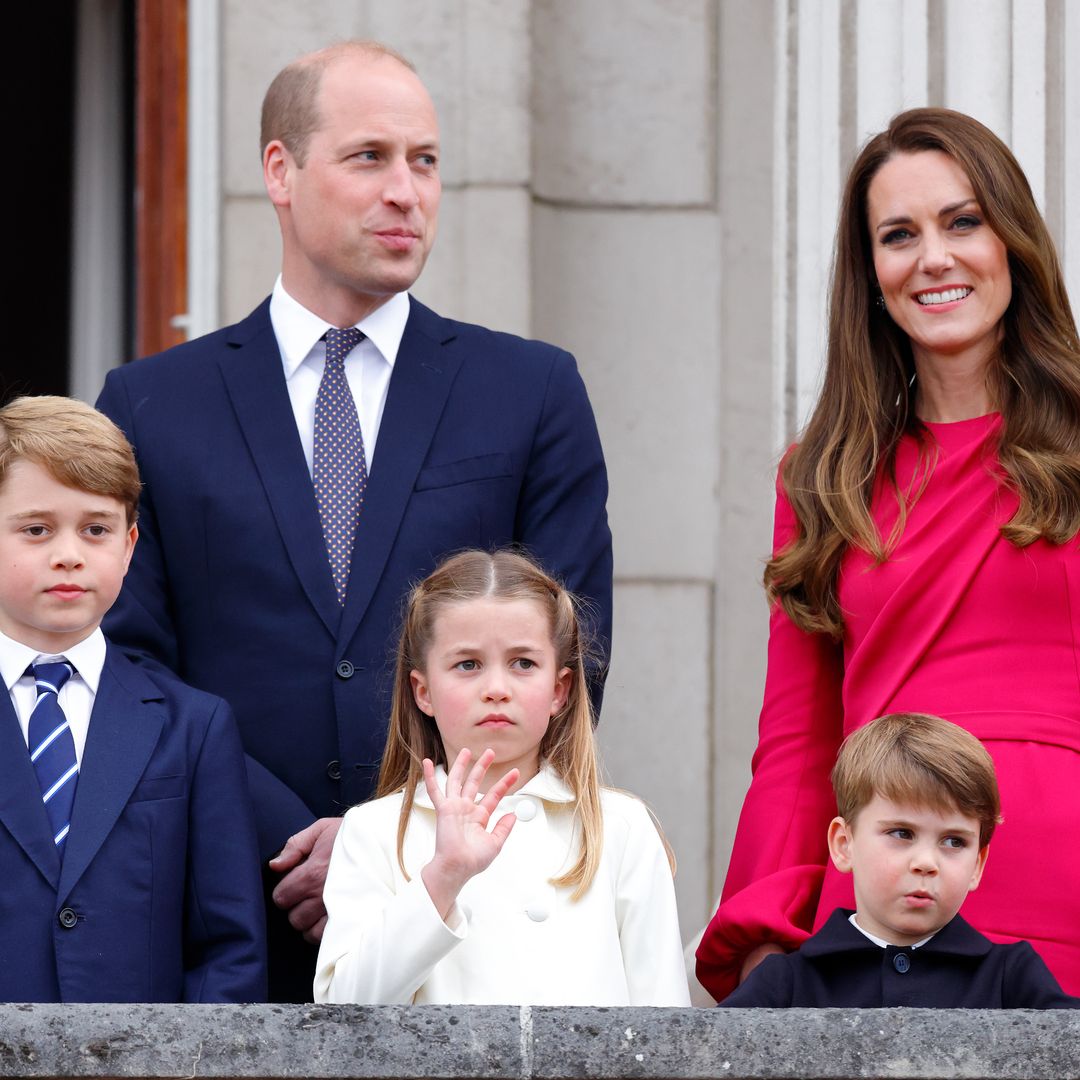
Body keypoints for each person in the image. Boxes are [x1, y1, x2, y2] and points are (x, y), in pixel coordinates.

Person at [95, 41, 612, 1000]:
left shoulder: (530, 391)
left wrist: (389, 844)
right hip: (224, 912)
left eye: (425, 161)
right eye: (370, 157)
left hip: (469, 919)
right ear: (280, 172)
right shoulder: (151, 404)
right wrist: (283, 840)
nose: (407, 191)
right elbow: (125, 664)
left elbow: (572, 650)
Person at [697, 107, 1080, 1002]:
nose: (933, 258)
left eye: (962, 222)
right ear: (871, 275)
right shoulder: (823, 477)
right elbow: (797, 740)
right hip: (884, 913)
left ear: (1013, 243)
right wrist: (765, 930)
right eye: (898, 235)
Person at [313, 549, 688, 1005]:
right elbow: (343, 1013)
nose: (496, 688)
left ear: (560, 690)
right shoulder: (373, 831)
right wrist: (443, 878)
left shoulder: (622, 828)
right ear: (423, 691)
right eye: (467, 664)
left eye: (523, 663)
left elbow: (666, 1028)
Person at [0, 396, 265, 1003]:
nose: (68, 552)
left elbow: (228, 948)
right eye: (36, 529)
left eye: (96, 529)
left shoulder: (194, 727)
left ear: (129, 544)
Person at [721, 713, 1077, 1008]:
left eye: (954, 841)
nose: (926, 862)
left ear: (978, 865)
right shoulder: (787, 981)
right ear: (844, 844)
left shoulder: (1010, 976)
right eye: (902, 833)